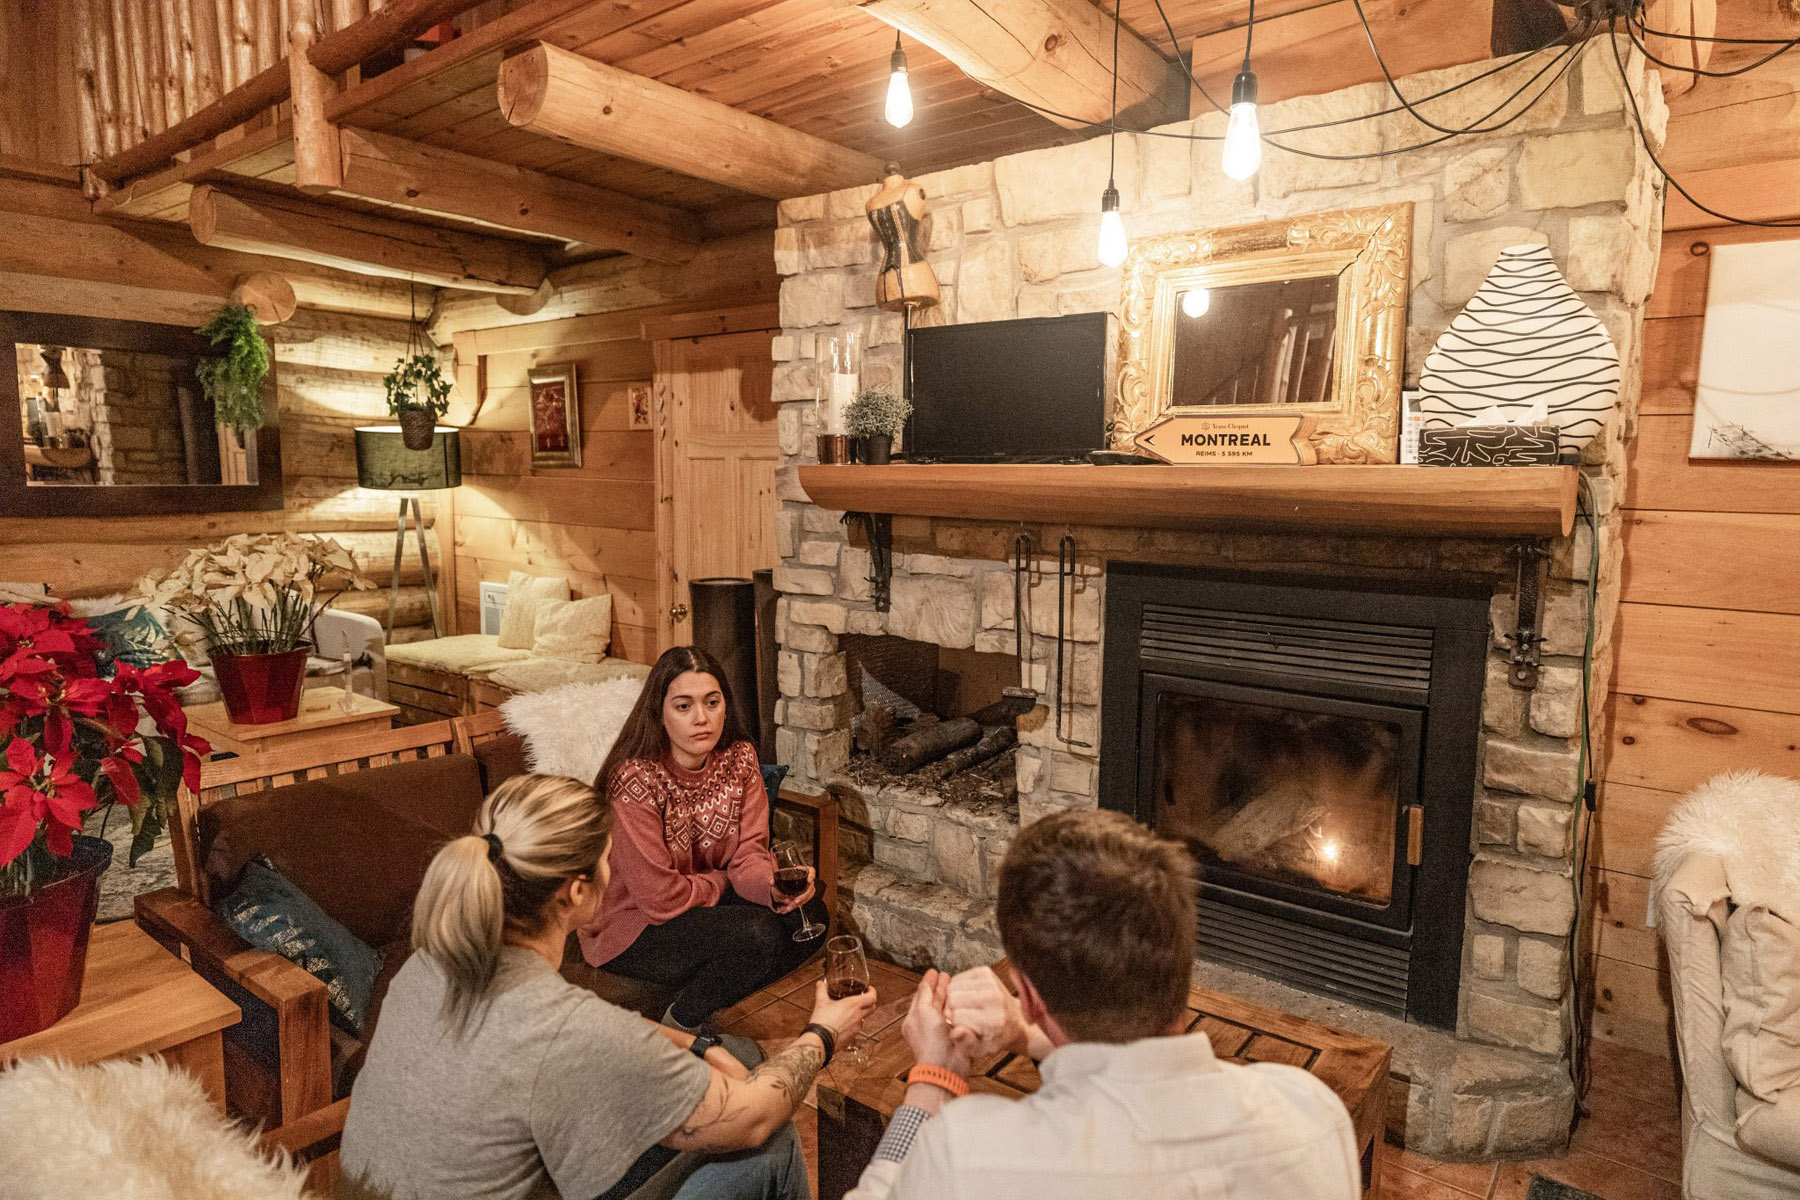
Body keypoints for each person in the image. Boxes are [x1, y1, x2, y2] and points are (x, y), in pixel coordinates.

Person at [341, 773, 877, 1200]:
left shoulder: (429, 965)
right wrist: (822, 1034)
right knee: (773, 1145)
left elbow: (584, 1037)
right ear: (576, 893)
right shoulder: (570, 1033)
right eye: (608, 858)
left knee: (733, 1052)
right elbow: (755, 1117)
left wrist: (696, 1042)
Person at [842, 808, 1362, 1200]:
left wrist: (935, 1079)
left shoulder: (970, 1157)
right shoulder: (1312, 1113)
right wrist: (1029, 1035)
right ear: (1180, 968)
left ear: (1027, 994)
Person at [581, 646, 820, 1032]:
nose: (702, 719)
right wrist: (722, 882)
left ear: (726, 704)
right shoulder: (636, 780)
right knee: (758, 935)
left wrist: (772, 888)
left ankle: (701, 993)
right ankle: (681, 1025)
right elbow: (659, 899)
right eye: (683, 706)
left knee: (811, 912)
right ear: (659, 712)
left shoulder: (740, 760)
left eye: (712, 702)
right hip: (634, 925)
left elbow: (748, 856)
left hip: (695, 903)